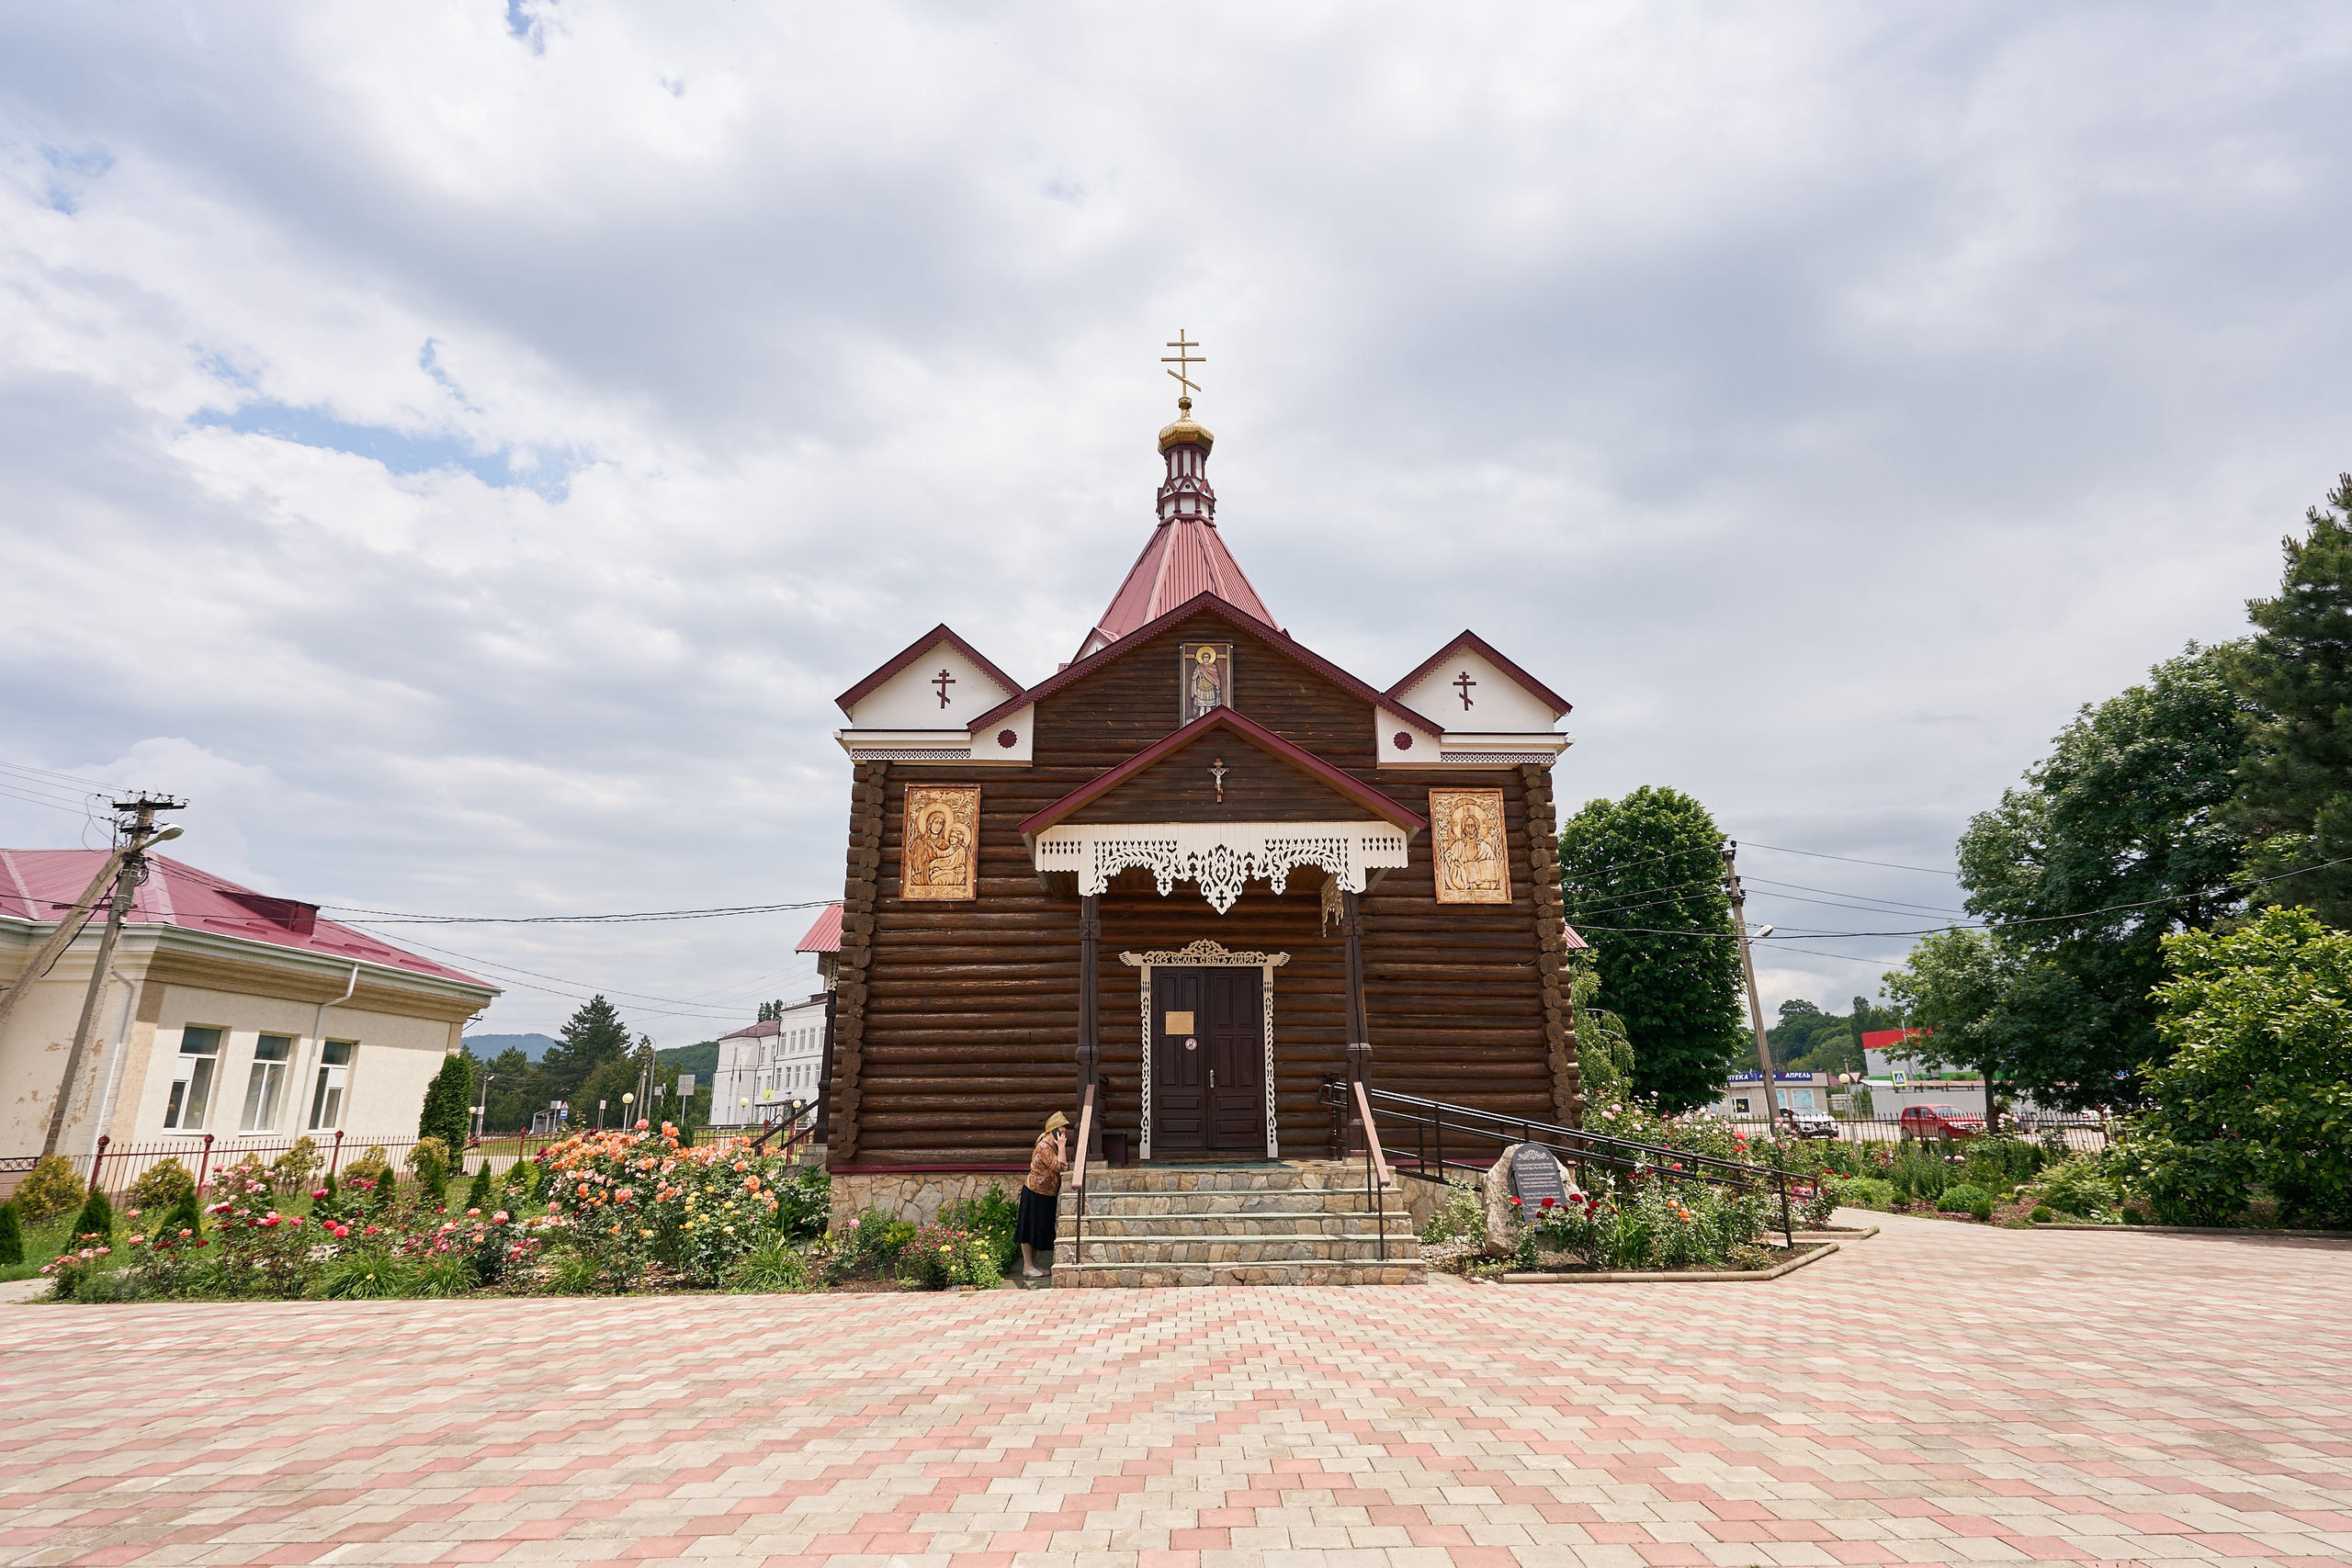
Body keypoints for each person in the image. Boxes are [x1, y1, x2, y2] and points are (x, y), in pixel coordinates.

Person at [1017, 1110, 1070, 1278]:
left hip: (1046, 1194)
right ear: (1054, 1130)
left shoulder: (1052, 1147)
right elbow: (1058, 1166)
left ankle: (1034, 1265)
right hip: (1035, 1192)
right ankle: (1027, 1266)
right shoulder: (1044, 1147)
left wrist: (1061, 1152)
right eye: (1061, 1132)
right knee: (1029, 1229)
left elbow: (1062, 1164)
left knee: (1038, 1229)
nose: (1064, 1136)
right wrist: (1061, 1147)